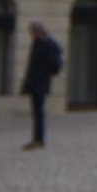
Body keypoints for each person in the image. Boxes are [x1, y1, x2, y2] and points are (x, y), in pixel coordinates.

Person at [20, 21, 62, 149]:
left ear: (39, 31)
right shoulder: (38, 42)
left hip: (40, 83)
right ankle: (37, 139)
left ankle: (39, 140)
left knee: (38, 112)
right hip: (36, 83)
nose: (31, 34)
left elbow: (52, 66)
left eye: (33, 31)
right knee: (36, 112)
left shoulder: (46, 44)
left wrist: (39, 76)